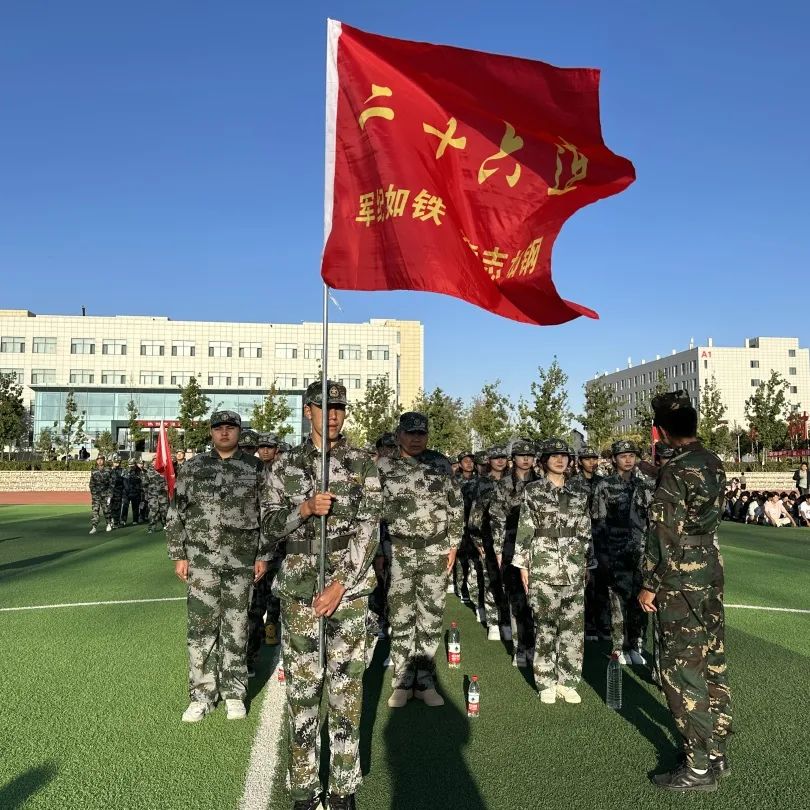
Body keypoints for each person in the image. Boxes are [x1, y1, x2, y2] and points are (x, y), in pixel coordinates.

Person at [262, 381, 381, 810]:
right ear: (307, 410)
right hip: (298, 593)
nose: (332, 414)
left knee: (346, 691)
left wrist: (340, 583)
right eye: (323, 406)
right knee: (303, 692)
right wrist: (305, 509)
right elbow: (268, 525)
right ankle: (304, 788)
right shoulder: (285, 464)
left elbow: (369, 530)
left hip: (347, 594)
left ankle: (343, 788)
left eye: (339, 407)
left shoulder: (362, 463)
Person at [639, 391, 732, 792]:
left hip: (679, 577)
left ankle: (697, 767)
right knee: (713, 660)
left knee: (680, 669)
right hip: (709, 567)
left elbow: (664, 535)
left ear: (661, 430)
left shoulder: (675, 470)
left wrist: (649, 584)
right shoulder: (713, 461)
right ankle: (716, 752)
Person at [165, 410, 268, 724]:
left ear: (239, 432)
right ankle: (202, 695)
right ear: (211, 432)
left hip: (241, 561)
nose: (224, 433)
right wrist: (178, 554)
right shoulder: (193, 467)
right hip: (202, 561)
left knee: (237, 627)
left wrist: (263, 555)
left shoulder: (256, 468)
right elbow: (176, 512)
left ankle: (234, 692)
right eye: (219, 428)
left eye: (230, 428)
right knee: (201, 630)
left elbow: (268, 514)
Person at [377, 411, 462, 709]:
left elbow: (455, 506)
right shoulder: (384, 466)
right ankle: (402, 681)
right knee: (400, 616)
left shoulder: (440, 464)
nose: (416, 439)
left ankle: (425, 681)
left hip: (434, 550)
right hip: (397, 551)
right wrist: (379, 552)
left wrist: (453, 545)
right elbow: (374, 512)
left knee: (430, 616)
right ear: (399, 434)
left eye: (421, 433)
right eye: (410, 433)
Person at [512, 438, 593, 704]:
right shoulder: (533, 491)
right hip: (543, 565)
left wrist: (588, 562)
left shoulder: (579, 491)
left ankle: (568, 681)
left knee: (572, 628)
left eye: (564, 455)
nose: (560, 460)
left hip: (574, 565)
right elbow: (525, 527)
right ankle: (545, 681)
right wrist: (523, 564)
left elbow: (585, 528)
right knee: (545, 626)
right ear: (544, 461)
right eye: (554, 455)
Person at [591, 440, 655, 665]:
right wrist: (601, 556)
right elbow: (598, 523)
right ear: (613, 459)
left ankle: (637, 644)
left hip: (641, 552)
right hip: (615, 552)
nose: (628, 460)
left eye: (631, 455)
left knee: (640, 599)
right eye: (623, 456)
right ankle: (619, 646)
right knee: (617, 601)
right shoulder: (605, 486)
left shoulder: (644, 486)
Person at [489, 438, 540, 666]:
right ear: (514, 458)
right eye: (521, 455)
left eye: (529, 455)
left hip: (539, 547)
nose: (526, 459)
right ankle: (521, 648)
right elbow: (496, 518)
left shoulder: (541, 483)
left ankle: (538, 647)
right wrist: (499, 550)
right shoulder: (503, 485)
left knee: (537, 599)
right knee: (517, 598)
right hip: (510, 545)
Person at [467, 446, 510, 639]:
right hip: (488, 537)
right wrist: (478, 542)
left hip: (510, 537)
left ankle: (507, 621)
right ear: (489, 461)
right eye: (496, 458)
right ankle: (493, 621)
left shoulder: (513, 481)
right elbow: (474, 516)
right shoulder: (482, 483)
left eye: (503, 457)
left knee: (509, 581)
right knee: (491, 578)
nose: (500, 461)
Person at [571, 445, 608, 643]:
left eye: (594, 458)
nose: (592, 462)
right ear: (579, 461)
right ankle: (588, 624)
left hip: (602, 537)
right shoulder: (572, 484)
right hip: (582, 537)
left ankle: (603, 624)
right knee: (586, 583)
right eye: (587, 459)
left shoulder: (604, 482)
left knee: (602, 582)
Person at [256, 432, 283, 646]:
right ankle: (256, 631)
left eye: (270, 447)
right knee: (256, 589)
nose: (265, 450)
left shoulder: (284, 472)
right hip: (256, 538)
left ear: (277, 449)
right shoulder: (252, 472)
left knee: (276, 585)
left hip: (278, 540)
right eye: (262, 447)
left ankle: (271, 624)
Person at [89, 455, 113, 534]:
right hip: (96, 495)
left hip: (105, 494)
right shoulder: (94, 471)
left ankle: (109, 523)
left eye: (101, 460)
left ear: (104, 461)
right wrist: (93, 493)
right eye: (98, 460)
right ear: (96, 461)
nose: (100, 461)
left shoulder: (108, 470)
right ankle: (94, 527)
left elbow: (111, 483)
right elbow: (91, 483)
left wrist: (109, 495)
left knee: (106, 510)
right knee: (95, 511)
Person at [144, 459, 169, 534]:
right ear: (152, 462)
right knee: (153, 512)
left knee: (164, 511)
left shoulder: (164, 471)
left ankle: (166, 525)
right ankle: (151, 528)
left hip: (163, 495)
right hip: (152, 495)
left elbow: (168, 481)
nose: (155, 462)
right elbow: (145, 484)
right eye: (154, 460)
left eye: (157, 460)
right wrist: (146, 495)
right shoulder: (148, 472)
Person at [120, 459, 143, 525]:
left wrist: (139, 490)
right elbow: (123, 481)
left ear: (135, 464)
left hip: (135, 492)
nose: (131, 466)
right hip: (126, 492)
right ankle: (123, 520)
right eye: (130, 465)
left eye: (132, 465)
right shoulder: (125, 470)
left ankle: (135, 520)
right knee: (125, 506)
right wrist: (124, 490)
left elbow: (141, 482)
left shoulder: (139, 471)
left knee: (135, 507)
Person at [109, 455, 125, 529]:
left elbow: (125, 482)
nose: (117, 463)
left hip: (119, 492)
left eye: (118, 462)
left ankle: (116, 522)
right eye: (115, 462)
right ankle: (110, 522)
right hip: (110, 492)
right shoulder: (109, 470)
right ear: (113, 462)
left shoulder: (122, 470)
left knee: (118, 507)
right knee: (110, 507)